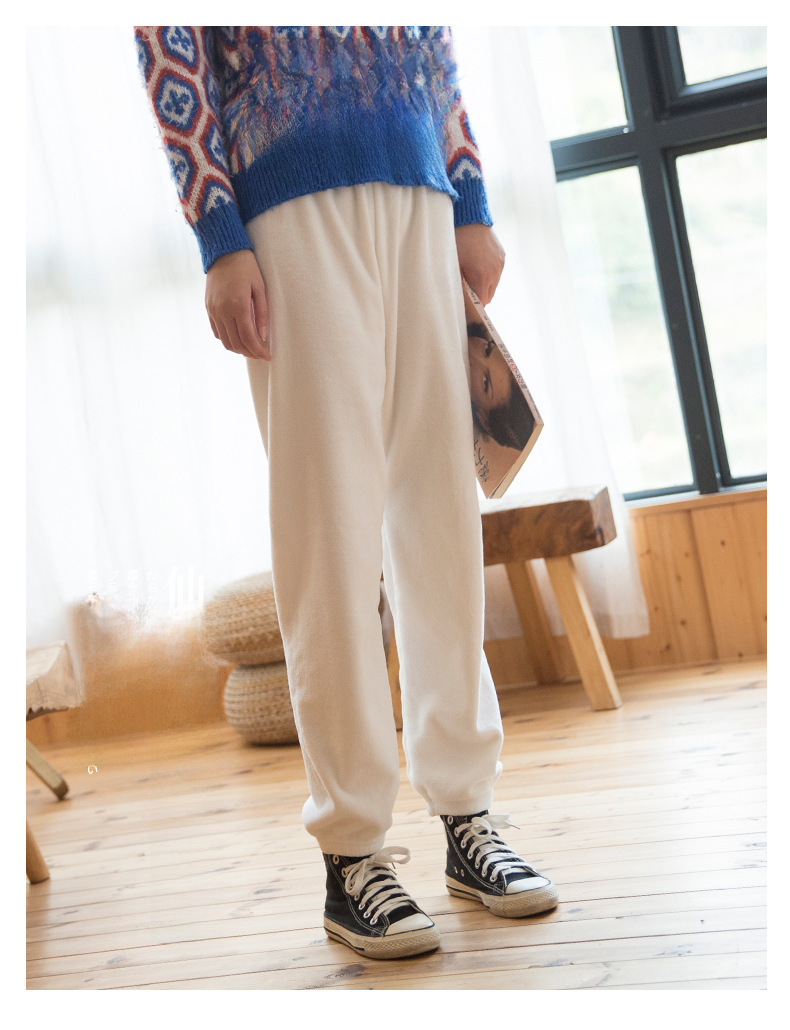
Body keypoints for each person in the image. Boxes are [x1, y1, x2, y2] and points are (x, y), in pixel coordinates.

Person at [133, 25, 558, 961]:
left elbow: (434, 39)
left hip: (419, 190)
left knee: (441, 521)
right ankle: (352, 854)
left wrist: (469, 195)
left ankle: (467, 815)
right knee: (329, 533)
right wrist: (219, 236)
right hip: (287, 208)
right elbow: (171, 51)